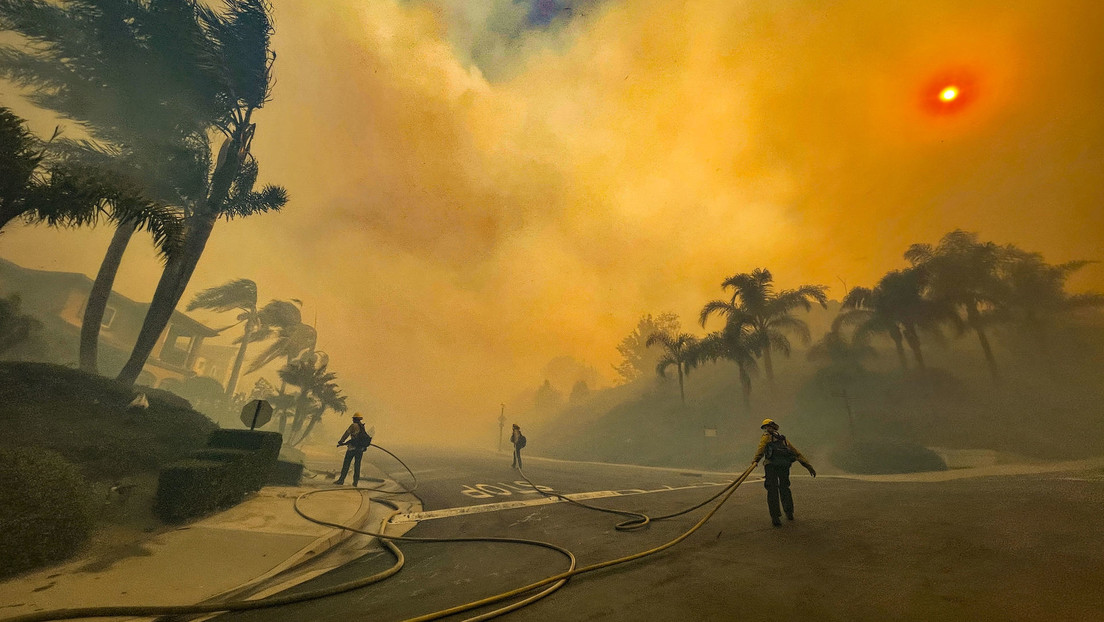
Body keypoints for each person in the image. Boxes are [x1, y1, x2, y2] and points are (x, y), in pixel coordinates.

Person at [751, 418, 816, 527]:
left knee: (772, 490)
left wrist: (755, 460)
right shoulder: (783, 439)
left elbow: (761, 449)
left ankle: (775, 517)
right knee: (785, 487)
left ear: (769, 427)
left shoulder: (766, 437)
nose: (766, 429)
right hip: (784, 466)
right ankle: (789, 512)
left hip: (771, 466)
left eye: (766, 427)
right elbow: (796, 453)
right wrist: (808, 466)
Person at [335, 413, 372, 486]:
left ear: (355, 419)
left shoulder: (353, 425)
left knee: (346, 464)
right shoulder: (362, 426)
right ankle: (355, 482)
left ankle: (341, 480)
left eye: (353, 418)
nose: (352, 420)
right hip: (360, 449)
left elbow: (347, 433)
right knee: (357, 465)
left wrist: (341, 441)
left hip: (352, 448)